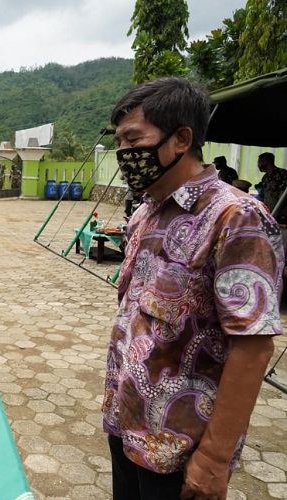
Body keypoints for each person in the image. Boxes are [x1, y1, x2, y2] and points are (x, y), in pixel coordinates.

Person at [104, 77, 283, 500]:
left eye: (134, 140)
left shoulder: (237, 218)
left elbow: (253, 347)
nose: (124, 153)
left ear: (181, 139)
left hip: (180, 451)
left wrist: (215, 458)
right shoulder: (145, 213)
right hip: (126, 424)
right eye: (120, 142)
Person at [256, 152, 287, 223]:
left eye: (259, 162)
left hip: (281, 215)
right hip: (269, 213)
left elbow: (283, 195)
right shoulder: (265, 178)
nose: (258, 165)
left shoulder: (282, 174)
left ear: (265, 162)